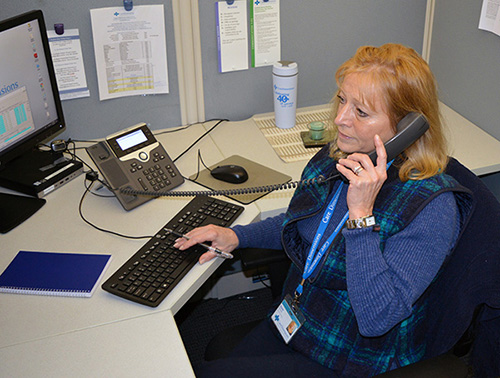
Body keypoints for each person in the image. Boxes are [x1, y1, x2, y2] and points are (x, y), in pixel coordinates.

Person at [174, 43, 473, 377]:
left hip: (354, 355)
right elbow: (304, 224)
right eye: (343, 100)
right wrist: (235, 236)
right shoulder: (342, 158)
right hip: (303, 318)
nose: (340, 119)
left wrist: (361, 216)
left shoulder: (432, 208)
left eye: (361, 112)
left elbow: (377, 319)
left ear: (407, 127)